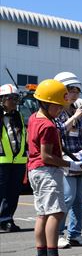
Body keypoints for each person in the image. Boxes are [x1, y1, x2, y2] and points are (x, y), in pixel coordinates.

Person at [27, 79, 81, 256]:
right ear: (46, 103)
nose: (59, 111)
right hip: (47, 171)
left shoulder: (34, 118)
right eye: (57, 107)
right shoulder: (48, 126)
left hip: (35, 170)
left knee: (42, 214)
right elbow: (47, 156)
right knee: (56, 212)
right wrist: (70, 164)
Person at [53, 72, 82, 248]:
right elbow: (59, 131)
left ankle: (75, 234)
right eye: (72, 90)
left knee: (80, 200)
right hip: (66, 160)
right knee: (67, 198)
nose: (75, 94)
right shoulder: (57, 110)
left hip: (81, 158)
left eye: (77, 90)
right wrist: (75, 116)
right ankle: (59, 233)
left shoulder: (78, 109)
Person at [0, 83, 27, 232]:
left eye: (16, 98)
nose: (15, 102)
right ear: (2, 99)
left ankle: (6, 220)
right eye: (12, 98)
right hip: (1, 160)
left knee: (13, 194)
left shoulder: (19, 116)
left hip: (18, 161)